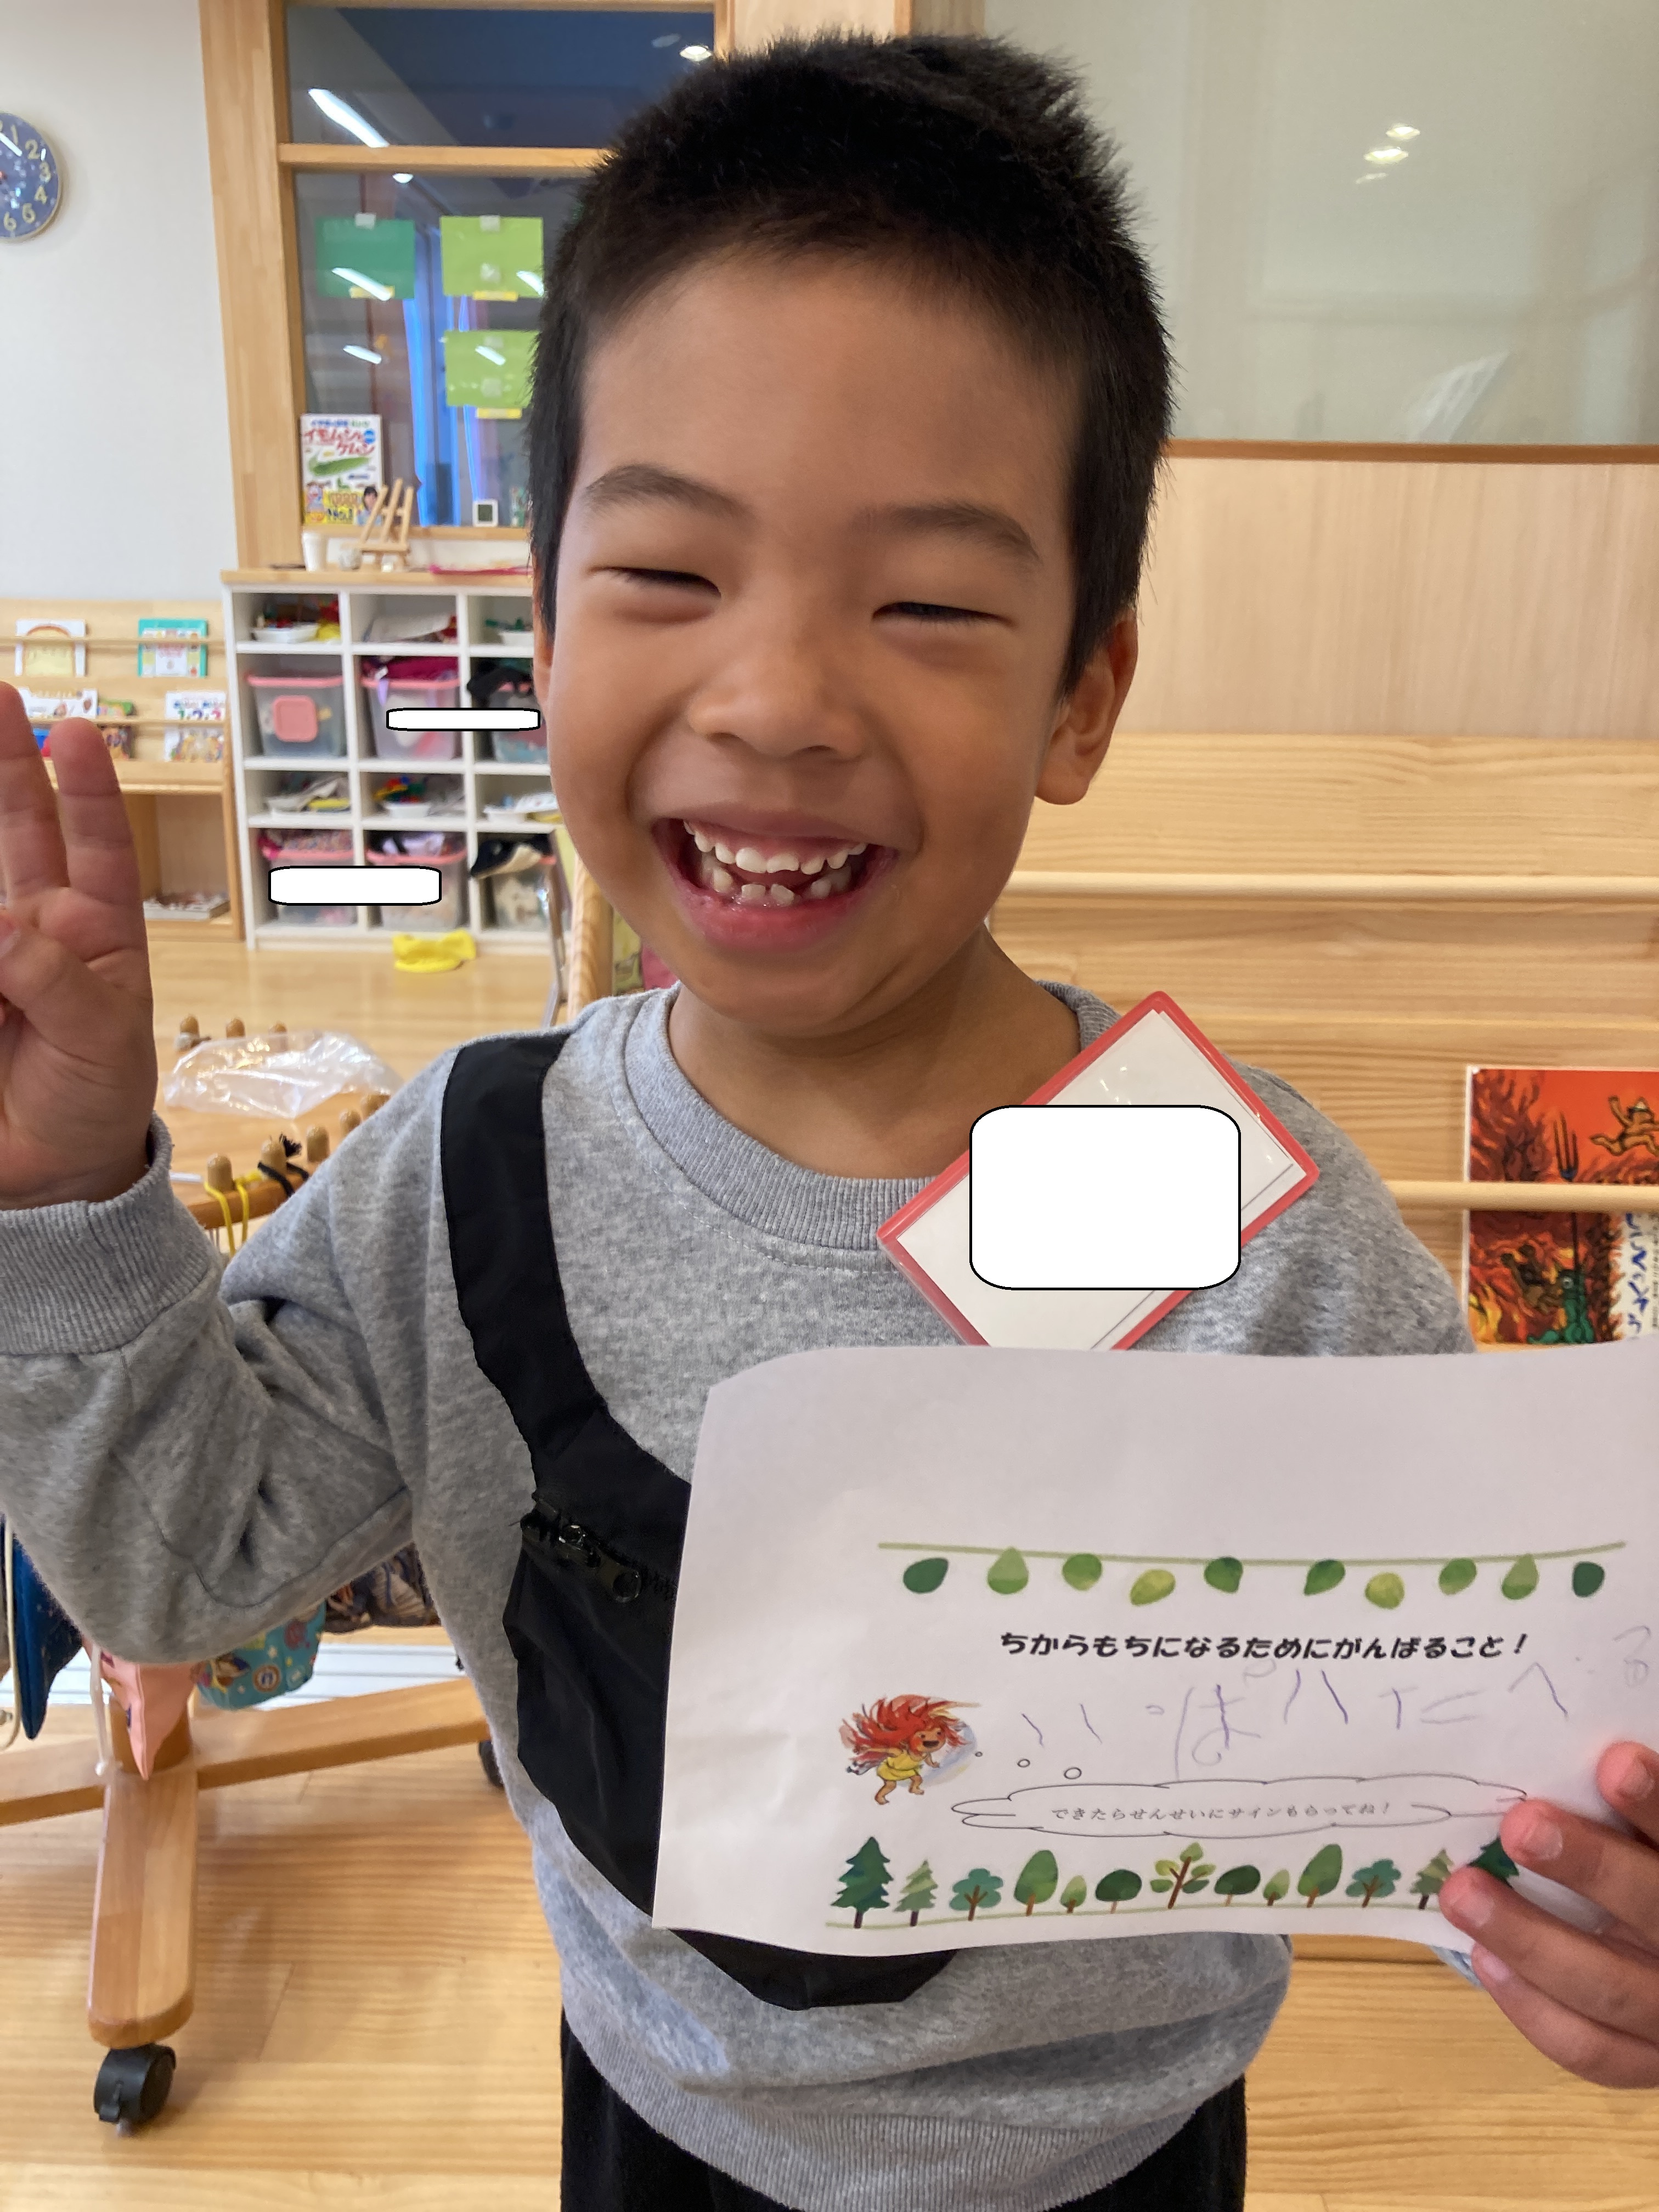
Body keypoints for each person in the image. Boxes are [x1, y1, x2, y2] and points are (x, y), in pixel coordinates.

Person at [1, 31, 1656, 2212]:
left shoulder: (1203, 1200)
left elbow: (1496, 1731)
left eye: (929, 605)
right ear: (539, 622)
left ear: (1081, 695)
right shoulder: (468, 1181)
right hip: (662, 2127)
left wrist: (1605, 1906)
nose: (778, 699)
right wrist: (66, 1189)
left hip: (1126, 2159)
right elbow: (174, 1569)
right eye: (669, 574)